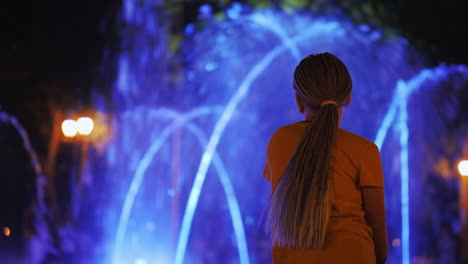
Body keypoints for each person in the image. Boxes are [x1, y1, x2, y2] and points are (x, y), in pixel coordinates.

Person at [263, 53, 388, 264]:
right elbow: (379, 238)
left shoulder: (280, 140)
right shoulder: (365, 150)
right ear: (348, 97)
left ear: (298, 100)